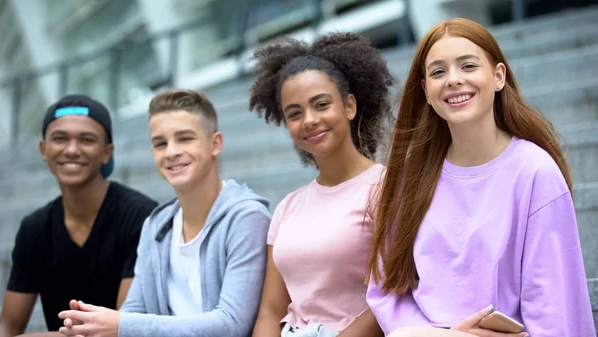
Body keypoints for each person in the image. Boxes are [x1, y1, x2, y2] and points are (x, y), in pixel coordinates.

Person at [366, 18, 595, 337]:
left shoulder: (534, 173)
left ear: (498, 76)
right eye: (438, 72)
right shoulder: (412, 175)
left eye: (468, 66)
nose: (453, 80)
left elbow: (555, 310)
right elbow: (386, 287)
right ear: (426, 92)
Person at [57, 89, 271, 337]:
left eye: (185, 138)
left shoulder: (247, 218)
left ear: (215, 144)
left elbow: (232, 324)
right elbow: (135, 309)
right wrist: (92, 326)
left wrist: (123, 325)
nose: (171, 152)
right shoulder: (156, 223)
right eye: (160, 143)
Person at [248, 32, 394, 337]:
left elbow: (393, 295)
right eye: (295, 113)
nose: (309, 120)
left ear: (350, 106)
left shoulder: (386, 187)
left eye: (321, 104)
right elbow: (271, 310)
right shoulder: (288, 207)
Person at [0, 95, 157, 337]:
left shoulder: (141, 216)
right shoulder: (34, 228)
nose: (72, 150)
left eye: (87, 139)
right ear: (43, 149)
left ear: (107, 152)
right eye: (60, 138)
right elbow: (8, 326)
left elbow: (123, 328)